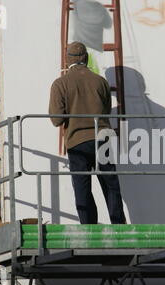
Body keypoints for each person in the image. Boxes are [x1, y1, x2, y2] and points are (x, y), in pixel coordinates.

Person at [48, 42, 126, 225]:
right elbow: (106, 112)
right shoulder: (101, 81)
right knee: (110, 184)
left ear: (67, 60)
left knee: (82, 187)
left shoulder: (60, 84)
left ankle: (89, 228)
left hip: (77, 140)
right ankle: (119, 225)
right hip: (103, 138)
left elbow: (56, 119)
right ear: (86, 58)